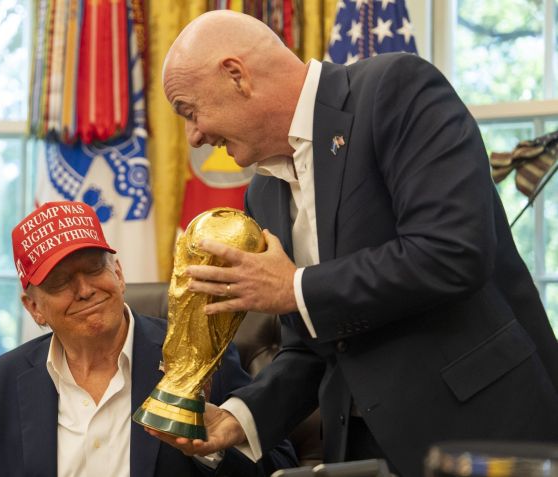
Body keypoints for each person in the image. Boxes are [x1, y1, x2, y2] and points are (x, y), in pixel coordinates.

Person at [148, 10, 558, 477]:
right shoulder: (261, 192)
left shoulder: (396, 89)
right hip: (359, 452)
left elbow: (452, 250)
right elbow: (312, 344)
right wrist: (239, 419)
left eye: (189, 111)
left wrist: (296, 288)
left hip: (482, 434)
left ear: (237, 75)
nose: (195, 136)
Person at [0, 201, 296, 477]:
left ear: (118, 274)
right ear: (34, 307)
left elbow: (280, 467)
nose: (84, 290)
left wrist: (213, 450)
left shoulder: (201, 354)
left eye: (94, 269)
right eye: (60, 282)